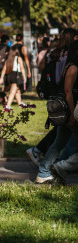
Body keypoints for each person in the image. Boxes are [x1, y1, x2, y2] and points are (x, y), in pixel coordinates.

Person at [26, 28, 78, 166]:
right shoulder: (70, 57)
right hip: (66, 95)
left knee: (61, 131)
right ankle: (58, 164)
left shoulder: (55, 53)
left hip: (56, 94)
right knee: (64, 130)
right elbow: (68, 87)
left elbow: (43, 67)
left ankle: (47, 163)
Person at [35, 40, 78, 184]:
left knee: (58, 142)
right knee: (58, 143)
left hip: (68, 111)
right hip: (70, 111)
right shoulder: (73, 68)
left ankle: (43, 172)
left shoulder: (69, 66)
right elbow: (68, 92)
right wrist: (72, 114)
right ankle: (61, 167)